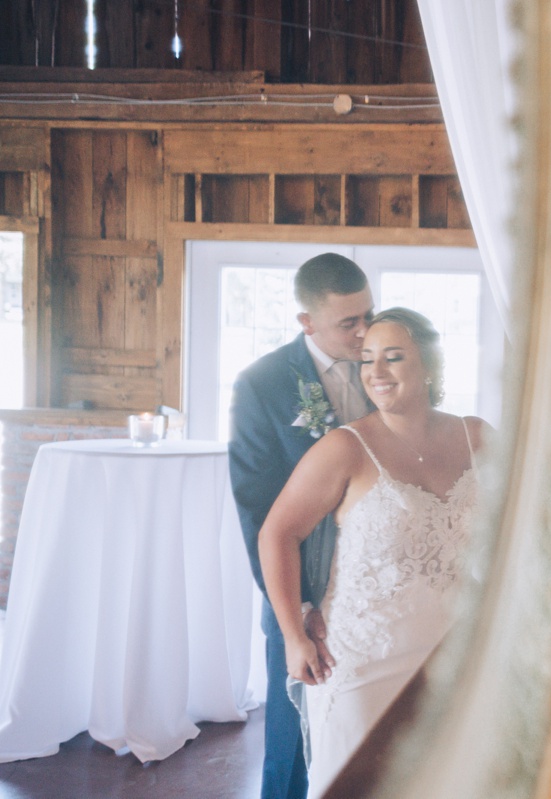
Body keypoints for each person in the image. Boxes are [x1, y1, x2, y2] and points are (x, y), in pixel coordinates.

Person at [259, 308, 487, 797]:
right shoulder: (347, 447)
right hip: (363, 664)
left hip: (454, 658)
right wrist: (294, 633)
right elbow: (278, 533)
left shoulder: (478, 437)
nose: (375, 373)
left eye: (393, 358)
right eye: (366, 360)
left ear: (429, 365)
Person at [228, 252, 374, 799]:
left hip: (374, 579)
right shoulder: (261, 385)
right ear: (306, 322)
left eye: (368, 315)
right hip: (300, 582)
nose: (364, 333)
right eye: (348, 323)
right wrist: (298, 615)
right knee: (293, 737)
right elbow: (258, 513)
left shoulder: (385, 360)